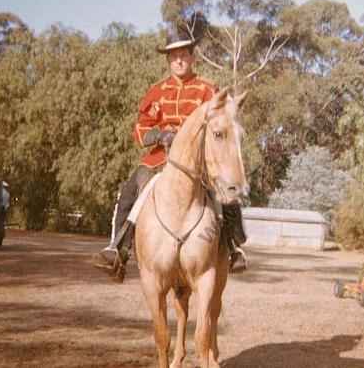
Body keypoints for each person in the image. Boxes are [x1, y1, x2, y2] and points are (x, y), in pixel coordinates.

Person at [91, 26, 248, 282]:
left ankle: (234, 248)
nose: (179, 60)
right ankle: (117, 249)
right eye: (174, 56)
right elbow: (140, 128)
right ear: (168, 59)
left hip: (197, 162)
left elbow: (221, 121)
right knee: (129, 192)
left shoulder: (208, 90)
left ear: (192, 57)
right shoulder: (156, 91)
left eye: (184, 55)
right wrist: (159, 135)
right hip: (159, 158)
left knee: (225, 191)